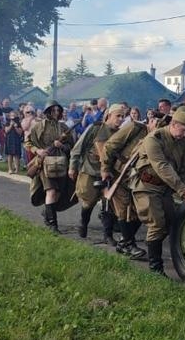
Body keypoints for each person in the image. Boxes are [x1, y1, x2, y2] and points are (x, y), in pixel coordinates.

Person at [131, 108, 185, 274]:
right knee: (157, 224)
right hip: (147, 187)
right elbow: (162, 167)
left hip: (165, 189)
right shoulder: (154, 139)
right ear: (173, 124)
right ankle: (156, 269)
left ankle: (168, 259)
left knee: (171, 222)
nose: (184, 135)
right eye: (183, 130)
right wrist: (184, 191)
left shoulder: (183, 142)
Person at [99, 109, 150, 257]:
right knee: (123, 208)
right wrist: (105, 169)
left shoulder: (159, 137)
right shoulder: (135, 128)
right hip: (118, 174)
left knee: (138, 211)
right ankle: (128, 245)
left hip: (137, 178)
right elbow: (109, 146)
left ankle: (124, 241)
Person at [69, 104, 123, 239]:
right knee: (89, 202)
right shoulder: (95, 128)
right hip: (90, 170)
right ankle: (84, 223)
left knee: (109, 204)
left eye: (122, 116)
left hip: (110, 173)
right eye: (118, 116)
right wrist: (72, 167)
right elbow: (78, 148)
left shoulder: (121, 133)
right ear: (109, 116)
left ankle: (108, 235)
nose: (121, 119)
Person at [26, 101, 75, 233]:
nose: (56, 113)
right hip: (45, 163)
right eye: (53, 110)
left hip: (62, 163)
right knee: (51, 191)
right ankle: (53, 225)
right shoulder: (38, 127)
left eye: (58, 110)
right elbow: (28, 142)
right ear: (48, 111)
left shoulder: (64, 127)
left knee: (58, 192)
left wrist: (62, 146)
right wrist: (37, 151)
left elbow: (71, 146)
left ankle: (47, 212)